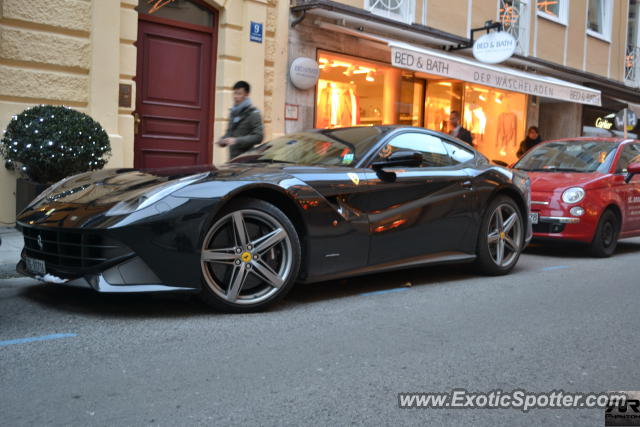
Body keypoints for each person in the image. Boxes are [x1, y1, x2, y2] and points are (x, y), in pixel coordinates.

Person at [216, 81, 264, 158]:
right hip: (233, 160)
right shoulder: (233, 112)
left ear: (247, 95)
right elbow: (229, 133)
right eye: (234, 93)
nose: (235, 96)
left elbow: (259, 136)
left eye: (239, 94)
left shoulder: (253, 113)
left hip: (246, 160)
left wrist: (237, 140)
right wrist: (223, 140)